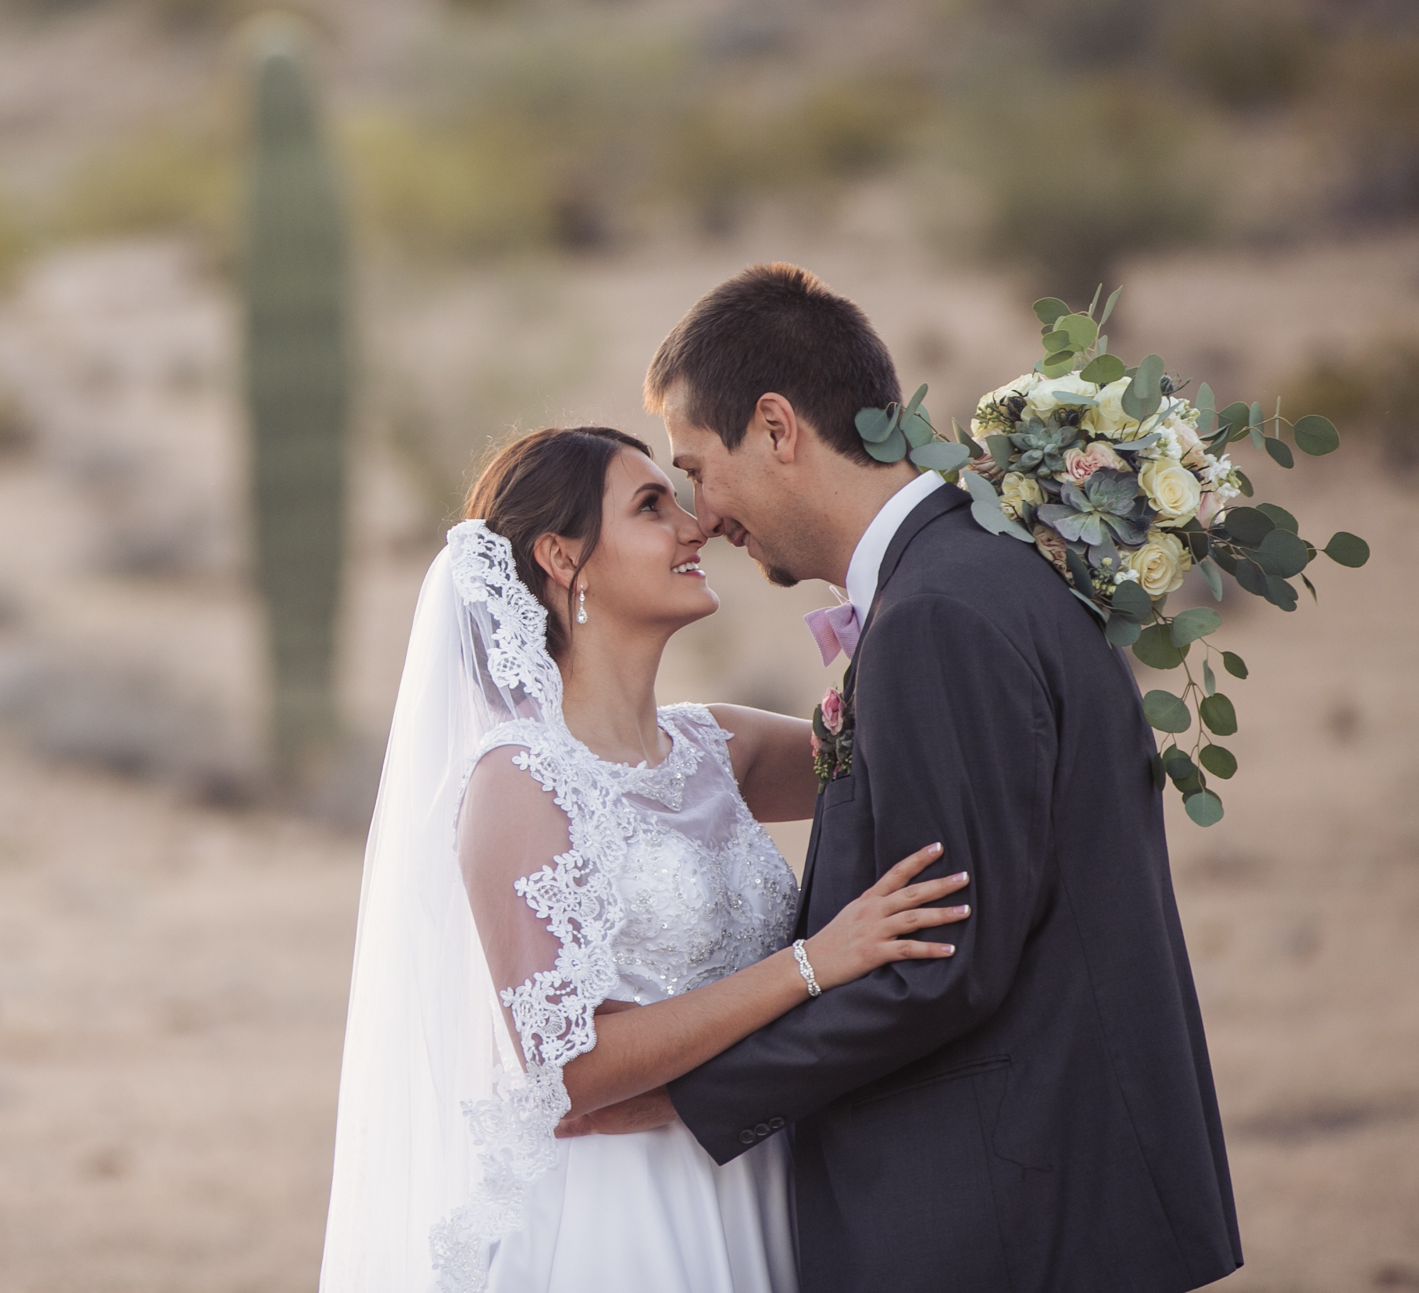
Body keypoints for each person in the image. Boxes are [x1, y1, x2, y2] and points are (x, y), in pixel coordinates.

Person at [608, 262, 1241, 1293]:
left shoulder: (936, 616)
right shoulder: (982, 567)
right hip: (1043, 1197)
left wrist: (688, 1096)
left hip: (1007, 1211)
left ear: (775, 426)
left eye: (697, 466)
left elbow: (940, 960)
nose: (701, 512)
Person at [321, 422, 973, 1293]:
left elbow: (910, 741)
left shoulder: (721, 746)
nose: (693, 525)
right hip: (622, 1211)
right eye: (650, 505)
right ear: (563, 557)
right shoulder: (519, 780)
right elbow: (570, 1067)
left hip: (762, 1172)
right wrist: (813, 964)